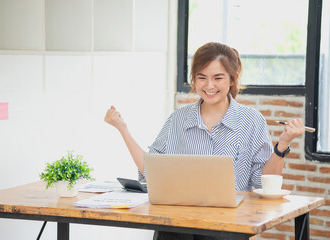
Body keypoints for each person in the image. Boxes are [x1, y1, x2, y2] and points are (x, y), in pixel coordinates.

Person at [104, 42, 305, 240]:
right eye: (202, 77)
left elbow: (264, 183)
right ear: (194, 80)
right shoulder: (178, 119)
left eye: (218, 78)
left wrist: (282, 145)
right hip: (175, 224)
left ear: (232, 80)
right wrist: (123, 129)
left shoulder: (251, 120)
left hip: (228, 225)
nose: (209, 85)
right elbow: (150, 170)